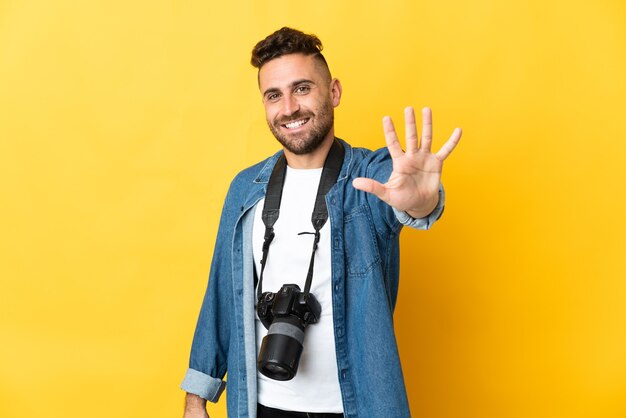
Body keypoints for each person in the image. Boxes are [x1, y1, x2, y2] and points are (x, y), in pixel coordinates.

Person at [181, 27, 462, 418]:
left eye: (302, 88)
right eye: (273, 95)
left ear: (333, 92)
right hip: (260, 406)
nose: (289, 108)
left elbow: (410, 199)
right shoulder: (246, 189)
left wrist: (421, 201)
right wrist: (198, 395)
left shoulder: (371, 175)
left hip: (356, 405)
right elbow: (221, 295)